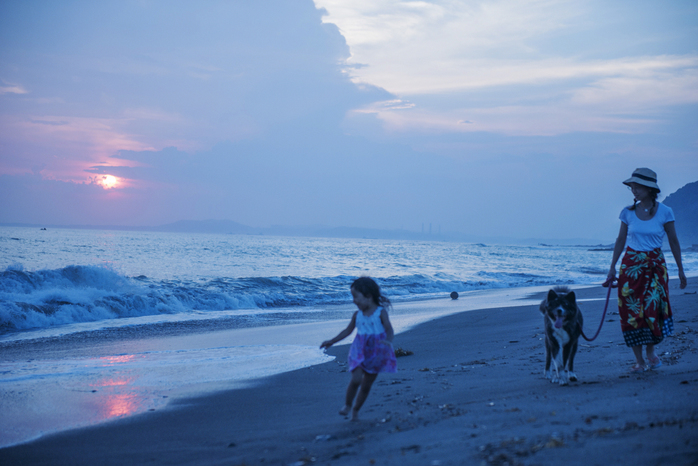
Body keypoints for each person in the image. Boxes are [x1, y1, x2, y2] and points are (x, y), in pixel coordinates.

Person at [607, 167, 687, 373]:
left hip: (655, 268)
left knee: (653, 310)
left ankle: (650, 352)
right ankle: (639, 361)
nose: (633, 189)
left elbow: (674, 241)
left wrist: (680, 269)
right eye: (631, 186)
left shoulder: (665, 212)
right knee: (631, 313)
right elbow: (620, 240)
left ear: (650, 188)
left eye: (637, 186)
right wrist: (612, 268)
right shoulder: (627, 212)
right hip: (631, 269)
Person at [320, 277, 397, 421]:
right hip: (359, 350)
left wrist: (388, 341)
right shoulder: (357, 315)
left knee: (366, 385)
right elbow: (347, 331)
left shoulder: (381, 313)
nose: (354, 300)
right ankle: (348, 405)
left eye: (356, 296)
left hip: (377, 352)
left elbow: (389, 329)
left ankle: (356, 409)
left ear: (369, 296)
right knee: (356, 380)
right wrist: (331, 341)